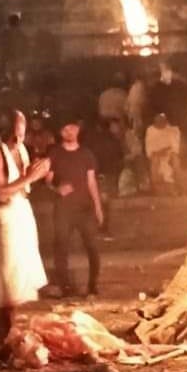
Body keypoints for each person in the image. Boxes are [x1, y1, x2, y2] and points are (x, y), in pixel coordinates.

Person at [0, 109, 51, 348]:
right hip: (2, 217)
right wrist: (29, 177)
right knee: (9, 274)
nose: (20, 137)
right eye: (16, 132)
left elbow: (24, 182)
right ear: (6, 129)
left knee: (20, 272)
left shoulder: (21, 148)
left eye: (22, 131)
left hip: (20, 211)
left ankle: (6, 330)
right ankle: (2, 332)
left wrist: (41, 172)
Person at [47, 113, 104, 297]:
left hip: (84, 208)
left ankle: (93, 285)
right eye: (65, 129)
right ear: (60, 132)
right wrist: (57, 188)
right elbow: (47, 179)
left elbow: (91, 182)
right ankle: (65, 287)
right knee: (61, 245)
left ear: (78, 130)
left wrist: (98, 207)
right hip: (64, 208)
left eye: (72, 127)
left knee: (93, 246)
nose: (69, 132)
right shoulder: (55, 153)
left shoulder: (86, 154)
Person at [145, 112, 181, 191]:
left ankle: (178, 185)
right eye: (157, 120)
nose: (159, 122)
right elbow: (149, 149)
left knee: (175, 160)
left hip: (169, 155)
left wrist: (167, 152)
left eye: (161, 119)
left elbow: (175, 148)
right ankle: (156, 186)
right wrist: (159, 152)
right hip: (156, 156)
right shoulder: (150, 130)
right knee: (155, 159)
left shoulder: (174, 130)